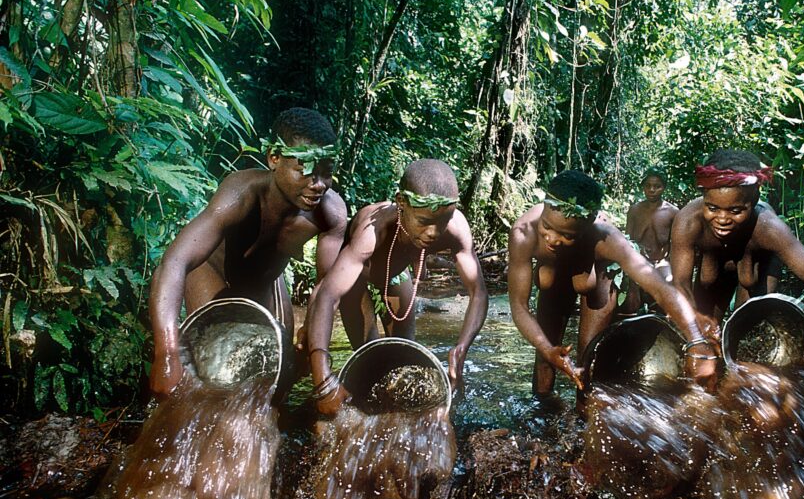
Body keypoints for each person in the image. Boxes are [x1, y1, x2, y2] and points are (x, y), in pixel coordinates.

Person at [149, 107, 349, 398]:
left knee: (282, 377)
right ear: (274, 158)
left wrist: (310, 331)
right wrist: (166, 353)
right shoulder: (240, 195)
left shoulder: (330, 214)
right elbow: (175, 261)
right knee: (213, 373)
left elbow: (326, 286)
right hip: (214, 275)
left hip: (267, 282)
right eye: (304, 171)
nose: (317, 185)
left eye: (326, 174)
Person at [507, 170, 718, 402]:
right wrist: (547, 350)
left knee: (589, 362)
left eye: (567, 235)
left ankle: (583, 417)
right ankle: (543, 416)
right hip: (553, 283)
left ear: (588, 225)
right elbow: (519, 305)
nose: (553, 239)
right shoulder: (524, 233)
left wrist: (696, 340)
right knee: (545, 360)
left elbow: (658, 286)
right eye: (546, 226)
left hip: (597, 280)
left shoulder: (606, 238)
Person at [307, 159, 488, 414]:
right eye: (424, 221)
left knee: (406, 360)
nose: (434, 233)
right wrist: (323, 381)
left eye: (443, 221)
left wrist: (461, 349)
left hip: (394, 275)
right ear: (401, 203)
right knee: (370, 358)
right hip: (356, 282)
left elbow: (478, 292)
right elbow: (328, 295)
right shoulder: (374, 228)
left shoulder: (455, 227)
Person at [670, 149, 804, 369]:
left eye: (736, 210)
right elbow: (680, 283)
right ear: (704, 199)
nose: (722, 219)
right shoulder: (688, 222)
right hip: (713, 269)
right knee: (705, 330)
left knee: (747, 330)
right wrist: (695, 327)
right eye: (712, 208)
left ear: (754, 201)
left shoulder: (768, 227)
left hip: (754, 265)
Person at [622, 168, 679, 312]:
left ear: (664, 188)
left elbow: (677, 244)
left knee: (669, 286)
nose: (652, 190)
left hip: (661, 262)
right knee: (631, 299)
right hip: (637, 261)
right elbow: (627, 241)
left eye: (657, 186)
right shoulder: (635, 210)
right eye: (648, 186)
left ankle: (663, 325)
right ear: (643, 187)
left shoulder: (673, 212)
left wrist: (669, 263)